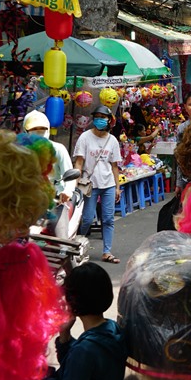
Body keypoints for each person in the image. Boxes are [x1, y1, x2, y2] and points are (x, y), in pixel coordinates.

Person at [73, 105, 122, 265]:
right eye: (97, 116)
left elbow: (115, 166)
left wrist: (117, 187)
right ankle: (77, 246)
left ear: (109, 120)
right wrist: (74, 183)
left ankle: (107, 252)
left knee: (108, 219)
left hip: (108, 184)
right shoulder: (85, 138)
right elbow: (79, 162)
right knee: (86, 219)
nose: (100, 119)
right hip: (89, 185)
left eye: (103, 117)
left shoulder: (113, 140)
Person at [24, 110, 76, 203]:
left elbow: (69, 173)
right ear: (26, 131)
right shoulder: (20, 151)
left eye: (41, 129)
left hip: (55, 199)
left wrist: (67, 191)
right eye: (34, 129)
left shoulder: (58, 149)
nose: (38, 133)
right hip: (27, 199)